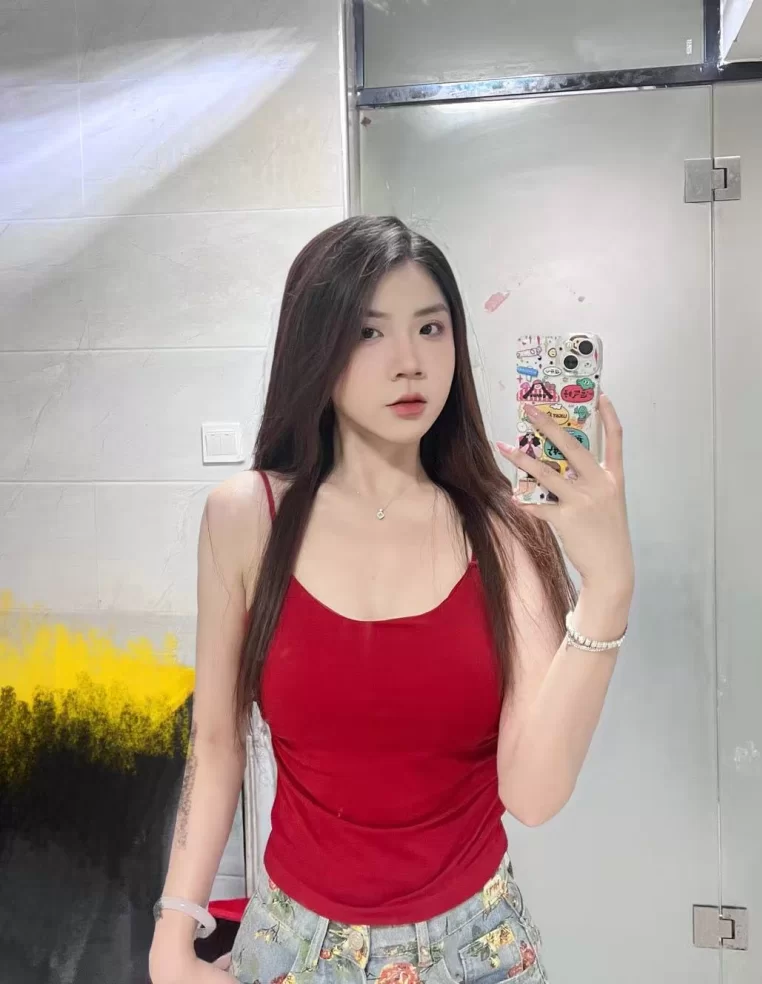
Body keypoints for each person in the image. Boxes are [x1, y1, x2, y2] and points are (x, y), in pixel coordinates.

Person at [148, 216, 634, 984]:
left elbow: (534, 795)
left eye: (430, 328)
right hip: (294, 949)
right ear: (317, 346)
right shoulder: (247, 518)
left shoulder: (506, 532)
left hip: (475, 950)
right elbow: (215, 743)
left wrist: (608, 588)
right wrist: (174, 934)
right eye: (369, 332)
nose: (409, 362)